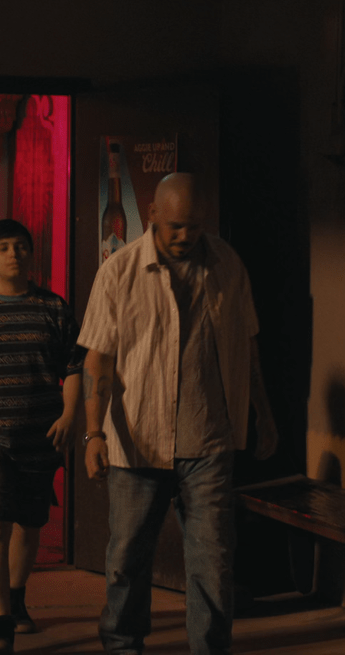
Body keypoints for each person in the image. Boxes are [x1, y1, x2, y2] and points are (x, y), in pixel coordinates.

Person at [77, 172, 279, 655]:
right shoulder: (120, 271)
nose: (185, 235)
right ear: (152, 215)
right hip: (138, 440)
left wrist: (263, 414)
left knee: (212, 563)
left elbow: (247, 346)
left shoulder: (226, 264)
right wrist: (93, 433)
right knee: (127, 559)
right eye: (175, 226)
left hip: (207, 438)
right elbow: (97, 359)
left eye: (194, 225)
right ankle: (122, 646)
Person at [0, 219, 85, 655]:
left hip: (41, 436)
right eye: (3, 247)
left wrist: (71, 414)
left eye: (20, 246)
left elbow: (73, 366)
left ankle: (16, 597)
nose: (13, 254)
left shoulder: (53, 308)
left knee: (28, 524)